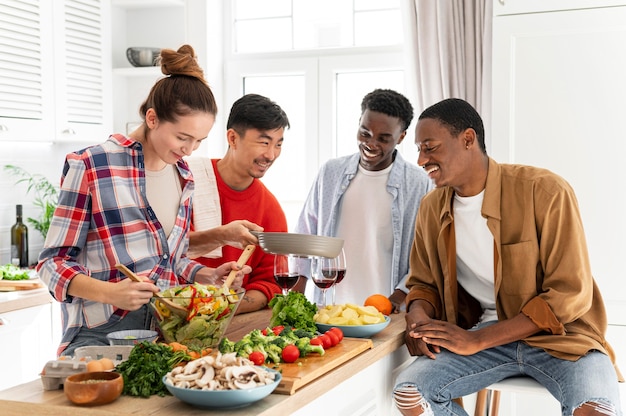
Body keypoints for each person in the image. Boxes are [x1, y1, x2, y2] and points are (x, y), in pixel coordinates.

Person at [393, 98, 623, 415]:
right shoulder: (431, 208)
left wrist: (477, 340)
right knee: (409, 394)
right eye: (419, 149)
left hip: (563, 340)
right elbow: (423, 284)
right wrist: (418, 318)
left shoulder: (545, 191)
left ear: (468, 139)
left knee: (597, 408)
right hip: (479, 340)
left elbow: (571, 292)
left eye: (429, 147)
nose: (420, 159)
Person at [37, 45, 250, 357]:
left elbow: (167, 259)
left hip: (165, 333)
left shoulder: (184, 175)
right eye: (182, 137)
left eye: (198, 141)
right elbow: (52, 264)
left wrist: (203, 274)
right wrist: (112, 293)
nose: (189, 150)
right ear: (152, 118)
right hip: (101, 336)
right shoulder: (92, 165)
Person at [295, 89, 433, 310]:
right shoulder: (331, 172)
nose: (371, 143)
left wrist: (396, 300)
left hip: (385, 313)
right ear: (359, 122)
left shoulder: (419, 183)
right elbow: (305, 234)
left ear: (402, 136)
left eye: (384, 138)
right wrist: (296, 296)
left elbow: (425, 254)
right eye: (365, 133)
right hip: (328, 309)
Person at [187, 93, 292, 315]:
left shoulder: (271, 210)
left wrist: (223, 306)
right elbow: (163, 249)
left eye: (278, 144)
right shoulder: (186, 181)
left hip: (232, 325)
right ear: (233, 138)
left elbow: (270, 284)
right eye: (264, 142)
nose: (271, 154)